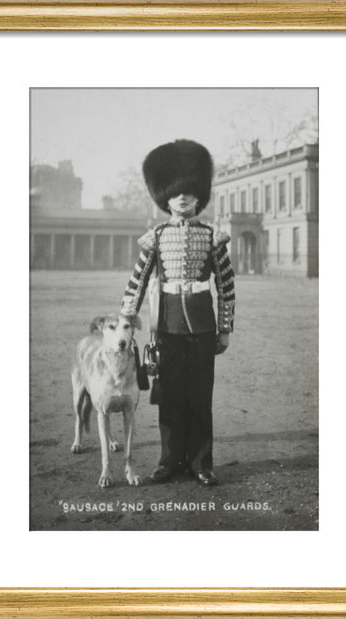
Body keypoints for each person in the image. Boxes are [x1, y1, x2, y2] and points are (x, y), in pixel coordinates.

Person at [121, 139, 235, 487]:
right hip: (167, 327)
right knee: (169, 398)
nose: (182, 197)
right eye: (175, 192)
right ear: (164, 197)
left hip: (201, 327)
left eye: (189, 191)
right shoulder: (155, 236)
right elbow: (138, 280)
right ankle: (169, 460)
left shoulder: (212, 236)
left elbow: (226, 285)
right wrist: (127, 318)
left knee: (201, 397)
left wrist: (225, 328)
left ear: (199, 195)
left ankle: (201, 462)